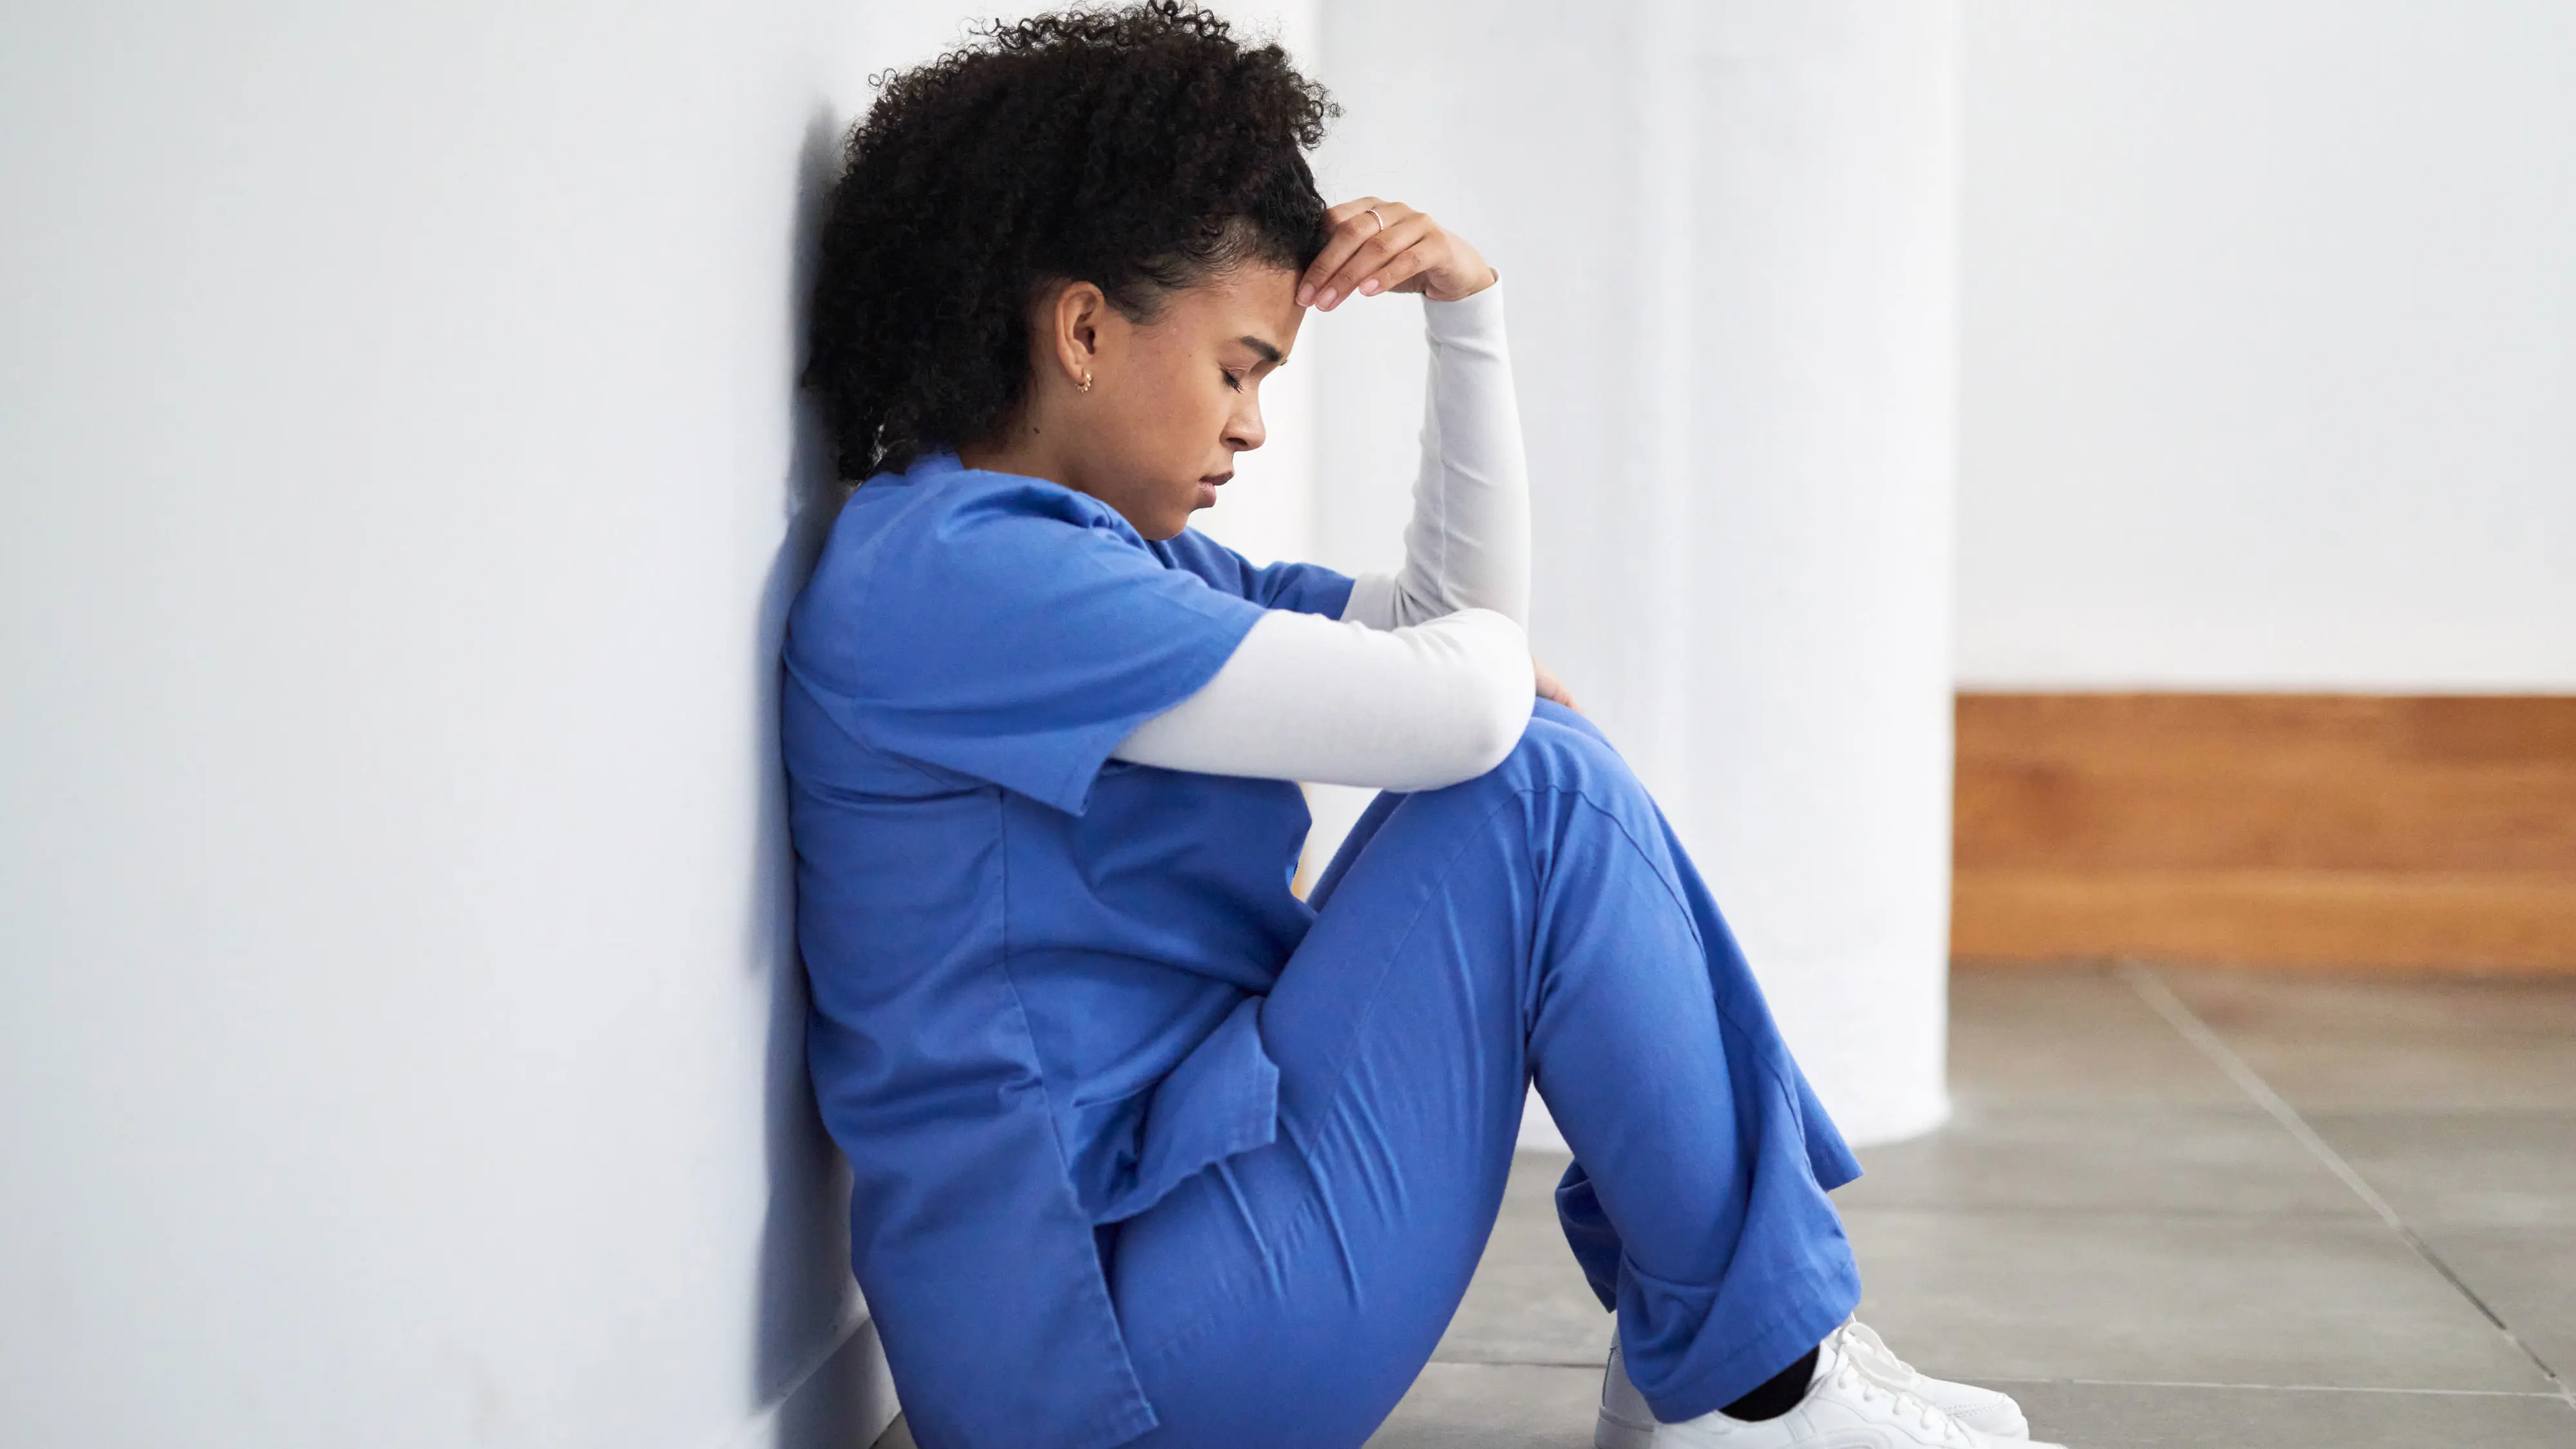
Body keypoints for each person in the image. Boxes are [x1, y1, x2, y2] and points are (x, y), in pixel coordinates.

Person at [783, 7, 2063, 1449]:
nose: (1253, 425)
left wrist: (1468, 314)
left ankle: (1745, 1365)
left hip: (1153, 1265)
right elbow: (1469, 702)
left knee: (1531, 774)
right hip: (1105, 1363)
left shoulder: (1086, 563)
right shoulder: (968, 579)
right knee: (1537, 791)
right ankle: (1754, 1380)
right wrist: (1487, 687)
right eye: (1237, 366)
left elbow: (1457, 634)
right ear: (1082, 328)